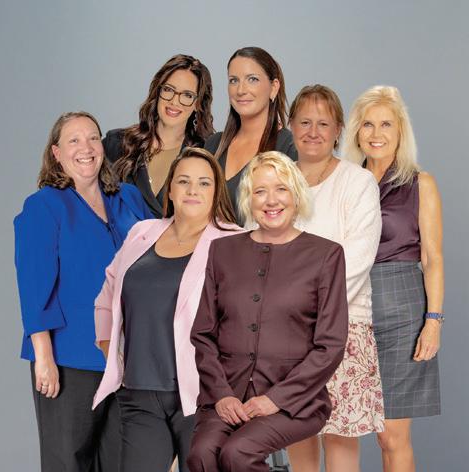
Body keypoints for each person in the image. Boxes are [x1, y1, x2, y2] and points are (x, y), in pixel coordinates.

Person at [187, 151, 349, 472]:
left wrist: (276, 399)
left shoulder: (326, 255)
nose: (271, 200)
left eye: (281, 189)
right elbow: (203, 334)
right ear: (249, 199)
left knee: (237, 453)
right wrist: (222, 394)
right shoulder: (222, 250)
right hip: (226, 395)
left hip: (294, 401)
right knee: (202, 455)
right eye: (260, 191)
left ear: (296, 195)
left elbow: (330, 345)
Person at [14, 111, 152, 472]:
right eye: (74, 140)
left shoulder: (127, 197)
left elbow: (158, 256)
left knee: (122, 461)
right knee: (68, 461)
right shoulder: (44, 206)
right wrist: (44, 358)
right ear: (56, 153)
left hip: (125, 356)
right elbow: (33, 286)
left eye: (93, 138)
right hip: (69, 358)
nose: (86, 147)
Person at [92, 148, 240, 472]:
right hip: (140, 392)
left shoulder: (235, 243)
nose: (192, 190)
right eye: (183, 181)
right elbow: (106, 297)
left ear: (216, 191)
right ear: (170, 189)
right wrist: (110, 352)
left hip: (204, 398)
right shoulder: (141, 233)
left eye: (204, 183)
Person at [342, 85, 443, 472]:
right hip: (349, 307)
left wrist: (433, 321)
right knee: (342, 429)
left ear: (400, 131)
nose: (376, 133)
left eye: (386, 124)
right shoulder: (345, 183)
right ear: (356, 132)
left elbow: (432, 258)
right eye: (367, 124)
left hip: (402, 311)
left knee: (391, 435)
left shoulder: (421, 183)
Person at [286, 85, 384, 472]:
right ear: (290, 126)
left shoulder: (357, 182)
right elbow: (258, 246)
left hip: (343, 327)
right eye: (305, 122)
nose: (313, 132)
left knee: (341, 440)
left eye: (323, 124)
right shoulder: (278, 180)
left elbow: (357, 257)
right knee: (296, 434)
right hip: (287, 331)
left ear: (339, 129)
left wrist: (308, 307)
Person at [104, 54, 214, 218]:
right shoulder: (117, 143)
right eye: (168, 90)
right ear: (158, 91)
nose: (174, 102)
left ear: (198, 104)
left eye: (187, 95)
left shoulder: (206, 154)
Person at [204, 46, 297, 220]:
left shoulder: (289, 148)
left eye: (252, 79)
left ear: (274, 87)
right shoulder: (213, 145)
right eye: (233, 80)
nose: (240, 90)